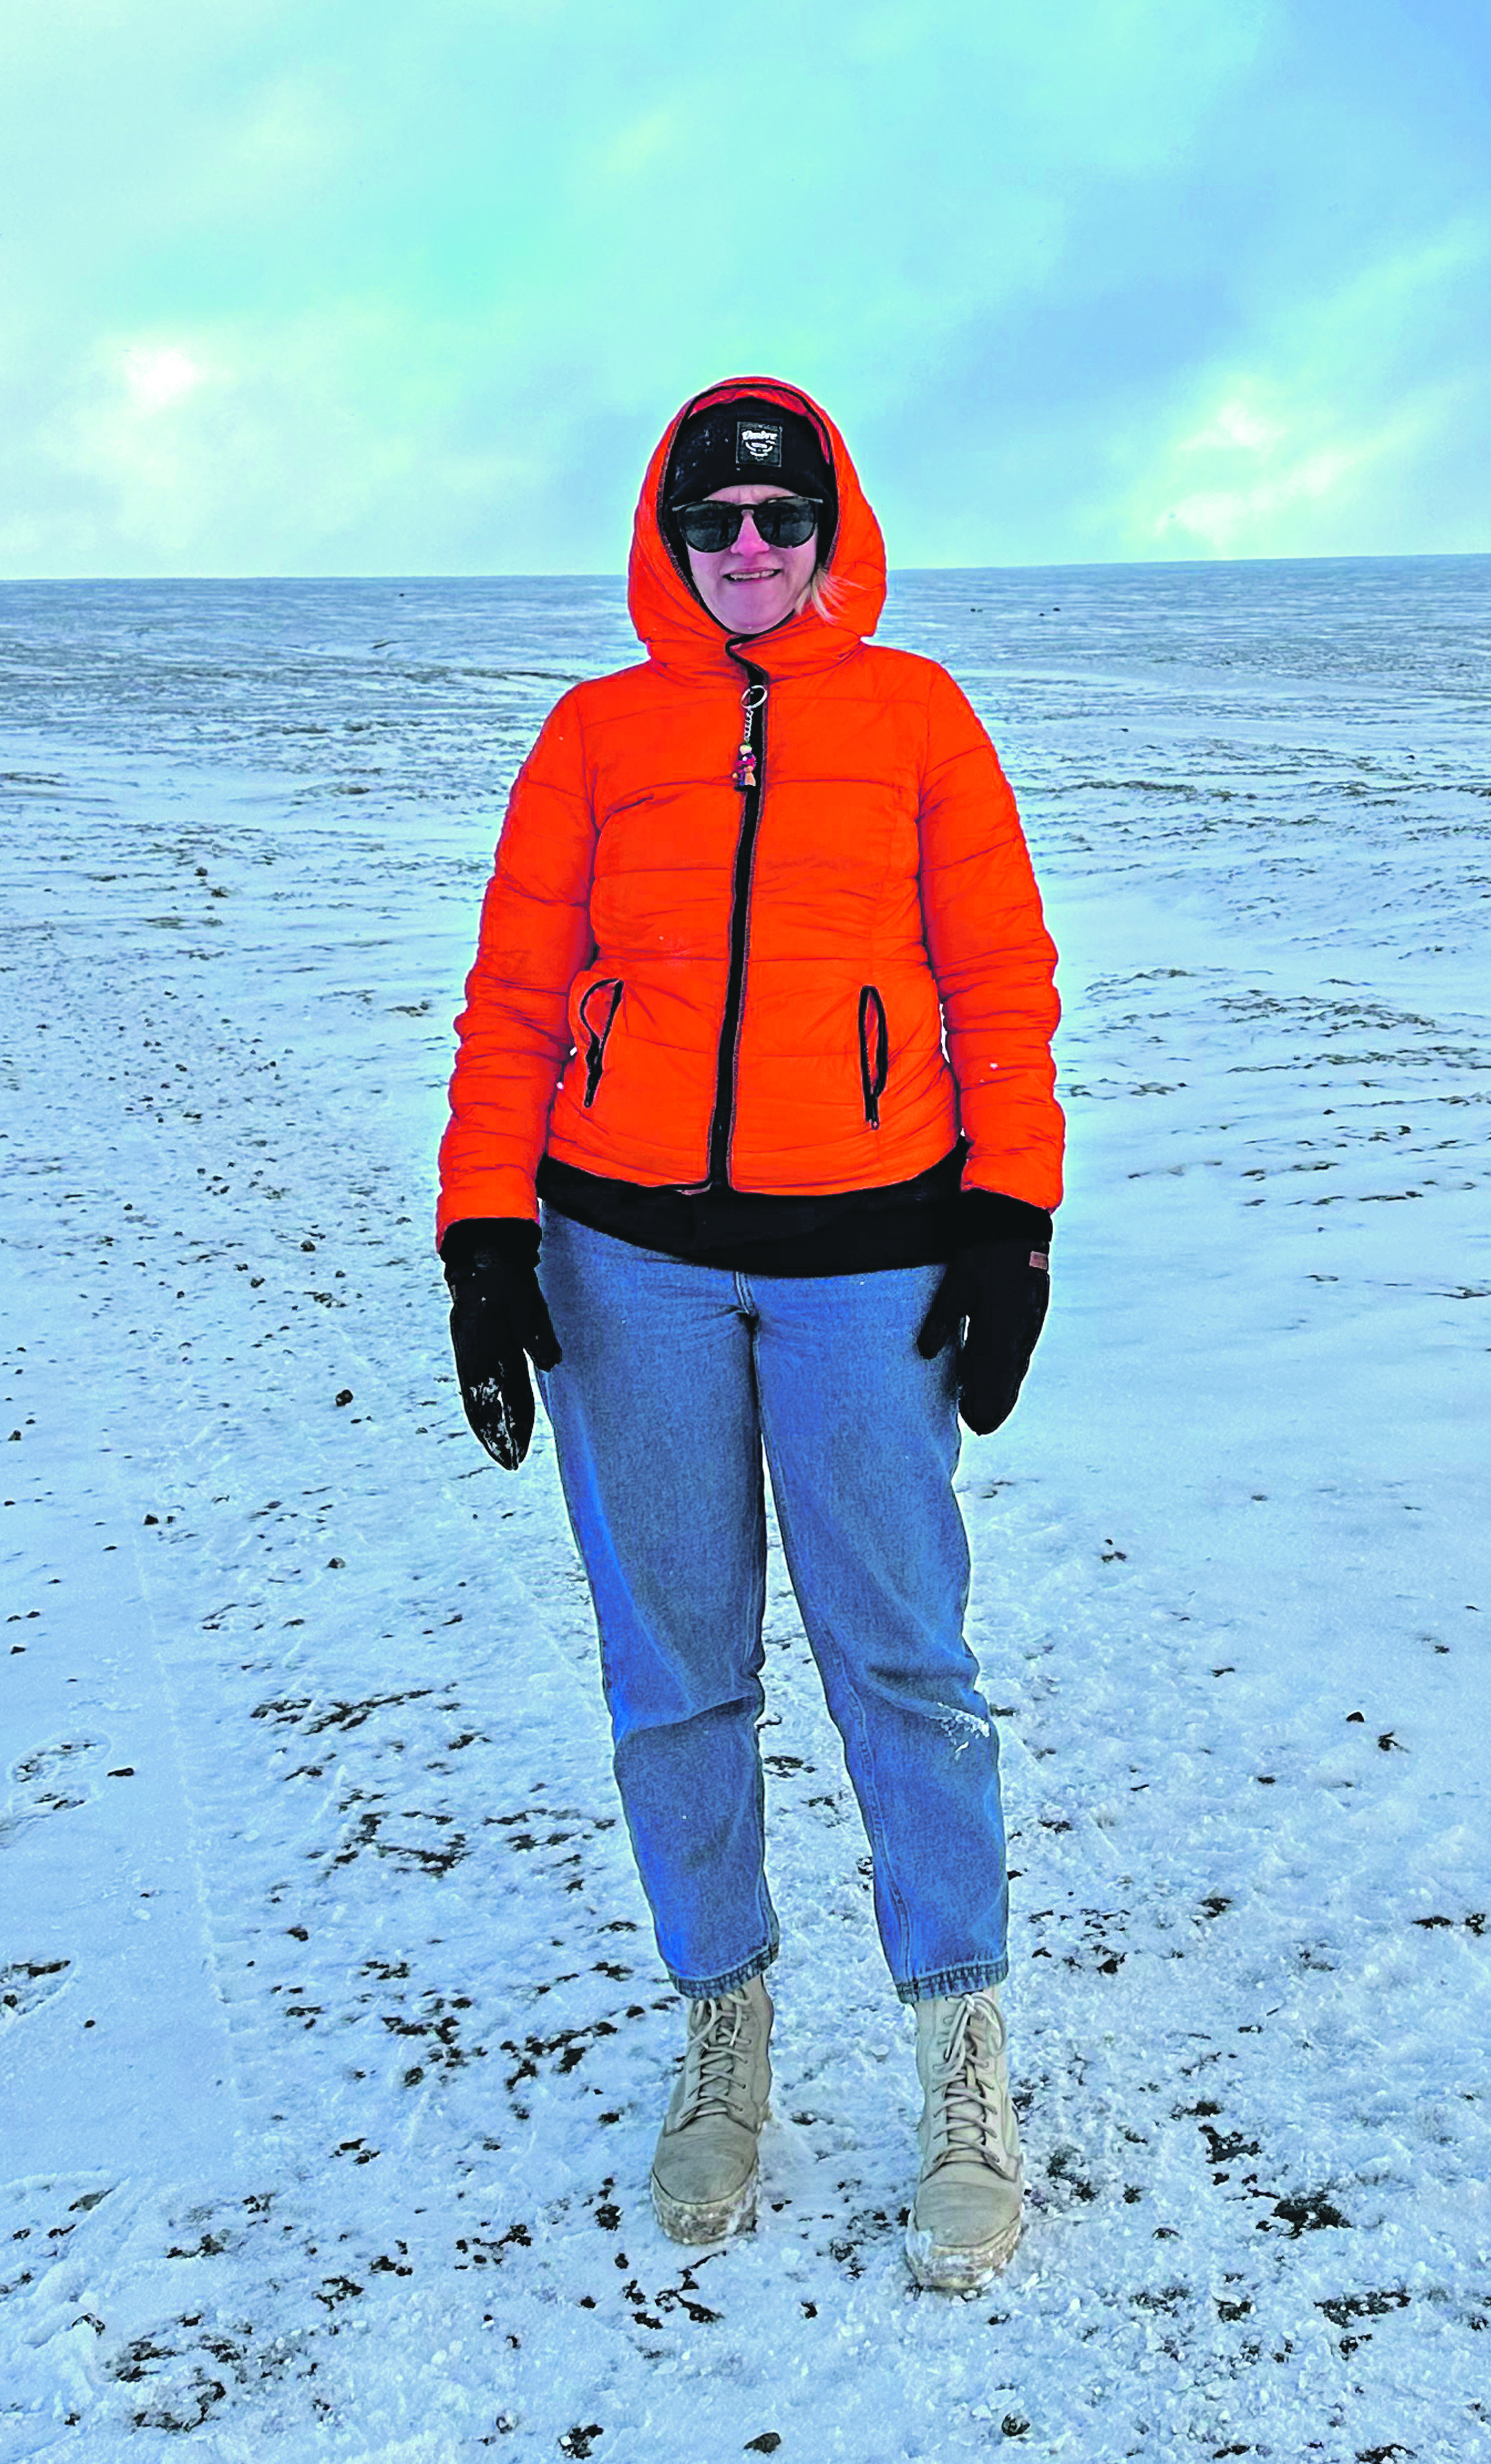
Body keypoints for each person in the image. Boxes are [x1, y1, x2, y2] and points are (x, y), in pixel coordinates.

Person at [434, 379, 1061, 2290]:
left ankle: (962, 2059)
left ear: (832, 528)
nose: (752, 555)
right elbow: (519, 997)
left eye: (783, 522)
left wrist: (1011, 1220)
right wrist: (482, 1238)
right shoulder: (597, 737)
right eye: (715, 525)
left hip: (871, 1261)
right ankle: (727, 2037)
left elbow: (999, 981)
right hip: (626, 1265)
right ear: (669, 539)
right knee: (678, 1671)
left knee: (902, 1663)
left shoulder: (920, 716)